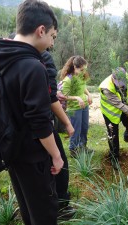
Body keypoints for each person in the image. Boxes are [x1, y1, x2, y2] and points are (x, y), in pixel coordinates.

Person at [0, 1, 62, 224]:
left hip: (12, 150)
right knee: (44, 212)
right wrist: (56, 155)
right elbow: (39, 121)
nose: (50, 44)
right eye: (52, 36)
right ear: (41, 30)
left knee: (28, 207)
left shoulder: (4, 58)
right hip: (33, 155)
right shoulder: (32, 65)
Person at [41, 49, 76, 218]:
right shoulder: (41, 60)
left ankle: (43, 207)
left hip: (16, 133)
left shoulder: (6, 58)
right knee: (59, 165)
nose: (53, 42)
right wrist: (67, 123)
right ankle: (59, 206)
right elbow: (51, 98)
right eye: (52, 36)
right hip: (41, 126)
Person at [99, 67, 128, 170]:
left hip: (125, 107)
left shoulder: (127, 78)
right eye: (119, 83)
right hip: (110, 112)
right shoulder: (106, 87)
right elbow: (118, 104)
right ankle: (114, 158)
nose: (121, 85)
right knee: (113, 135)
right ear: (113, 78)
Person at [58, 56, 92, 157]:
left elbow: (83, 86)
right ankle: (73, 150)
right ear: (74, 67)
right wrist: (77, 98)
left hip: (84, 106)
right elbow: (62, 96)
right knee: (76, 129)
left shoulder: (81, 76)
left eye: (85, 69)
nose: (83, 72)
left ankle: (82, 147)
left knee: (84, 127)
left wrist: (89, 94)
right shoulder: (68, 80)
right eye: (81, 69)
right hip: (74, 108)